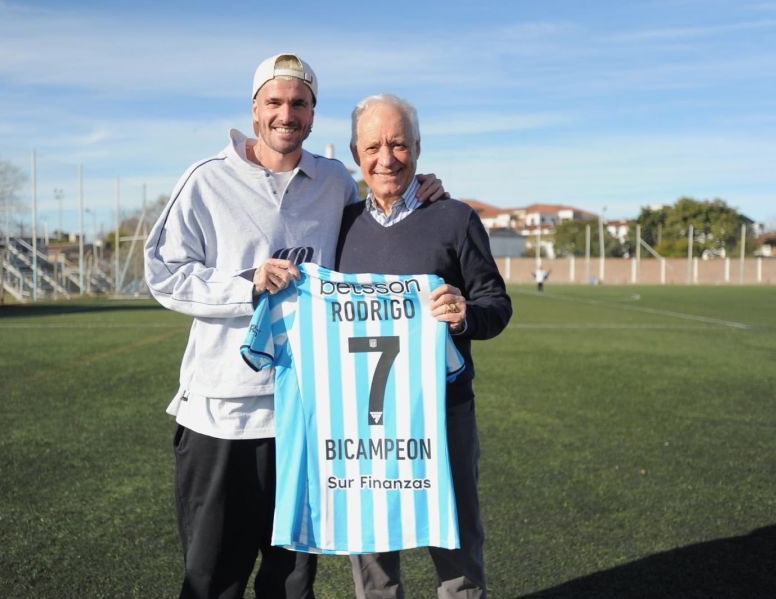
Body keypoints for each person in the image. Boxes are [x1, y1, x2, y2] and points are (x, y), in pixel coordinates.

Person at [144, 54, 447, 599]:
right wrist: (246, 286)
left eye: (300, 103)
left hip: (306, 417)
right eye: (276, 102)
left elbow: (379, 216)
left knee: (291, 585)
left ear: (313, 113)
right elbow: (163, 274)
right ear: (256, 109)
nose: (287, 114)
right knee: (212, 579)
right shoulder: (207, 179)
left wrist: (420, 190)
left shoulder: (333, 182)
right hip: (223, 413)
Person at [336, 94, 513, 599]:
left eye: (398, 144)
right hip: (364, 416)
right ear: (355, 152)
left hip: (443, 410)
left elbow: (496, 305)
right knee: (371, 551)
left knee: (456, 544)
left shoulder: (455, 218)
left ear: (417, 147)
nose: (386, 158)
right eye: (373, 146)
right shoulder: (341, 226)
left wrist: (465, 317)